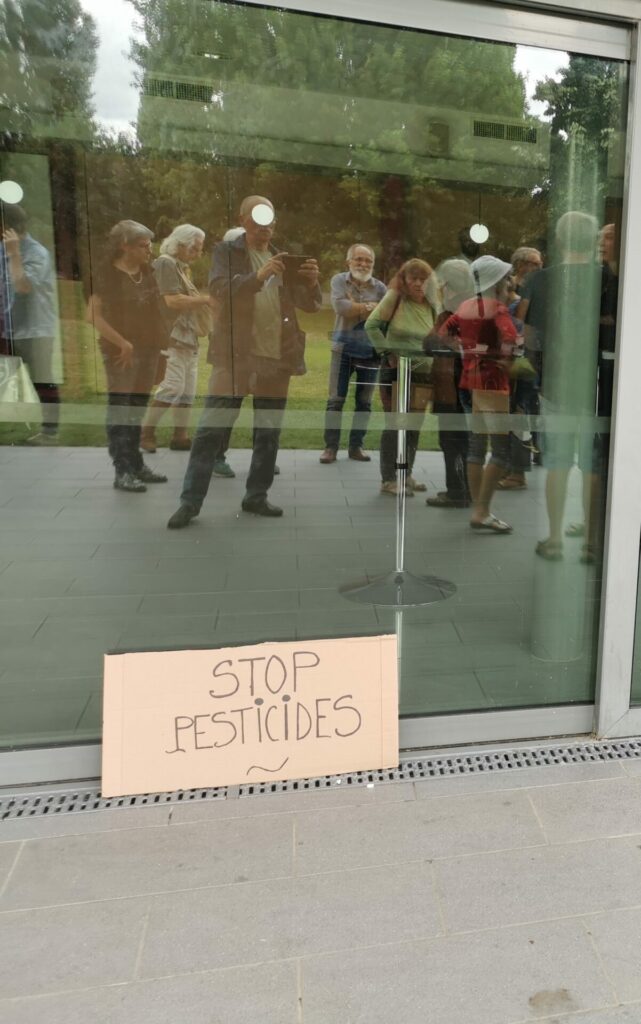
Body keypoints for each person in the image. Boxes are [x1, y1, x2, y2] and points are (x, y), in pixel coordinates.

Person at [167, 195, 321, 528]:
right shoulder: (227, 252)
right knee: (210, 430)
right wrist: (259, 275)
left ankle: (256, 496)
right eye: (257, 218)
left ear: (274, 223)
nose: (264, 226)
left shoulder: (283, 258)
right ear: (243, 220)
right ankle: (190, 502)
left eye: (269, 219)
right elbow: (219, 290)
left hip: (277, 358)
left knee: (268, 433)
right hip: (236, 358)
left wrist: (311, 282)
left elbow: (310, 305)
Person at [517, 211, 602, 561]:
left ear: (561, 239)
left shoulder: (539, 280)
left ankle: (554, 539)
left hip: (555, 381)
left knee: (558, 463)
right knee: (593, 465)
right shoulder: (605, 279)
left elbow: (528, 335)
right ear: (593, 241)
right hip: (596, 382)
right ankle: (590, 543)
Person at [86, 220, 168, 492]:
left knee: (137, 408)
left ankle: (136, 464)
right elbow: (93, 316)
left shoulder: (147, 271)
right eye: (144, 246)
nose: (149, 250)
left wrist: (161, 348)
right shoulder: (106, 276)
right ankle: (122, 470)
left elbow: (156, 312)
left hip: (149, 349)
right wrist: (122, 343)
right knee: (121, 409)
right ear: (125, 246)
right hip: (120, 353)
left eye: (149, 245)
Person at [439, 254, 517, 533]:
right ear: (496, 281)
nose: (510, 282)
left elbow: (444, 332)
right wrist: (505, 358)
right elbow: (512, 340)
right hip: (493, 384)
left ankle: (478, 510)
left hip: (468, 382)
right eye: (506, 278)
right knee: (500, 451)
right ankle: (483, 510)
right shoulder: (498, 309)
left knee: (475, 447)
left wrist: (466, 349)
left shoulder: (465, 306)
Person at [140, 224, 214, 453]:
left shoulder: (181, 267)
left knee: (187, 389)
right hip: (170, 336)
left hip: (187, 336)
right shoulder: (166, 263)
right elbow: (171, 300)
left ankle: (180, 436)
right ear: (179, 245)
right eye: (194, 249)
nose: (198, 254)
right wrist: (206, 300)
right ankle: (145, 433)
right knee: (172, 386)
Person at [365, 258, 436, 496]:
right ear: (404, 280)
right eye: (413, 278)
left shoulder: (431, 304)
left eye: (423, 279)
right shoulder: (395, 298)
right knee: (396, 425)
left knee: (414, 426)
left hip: (424, 373)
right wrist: (387, 352)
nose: (418, 284)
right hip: (397, 370)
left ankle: (405, 474)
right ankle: (389, 479)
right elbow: (371, 326)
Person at [319, 244, 386, 464]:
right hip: (343, 349)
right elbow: (341, 308)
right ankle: (330, 448)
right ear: (349, 261)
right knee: (335, 401)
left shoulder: (381, 288)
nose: (363, 264)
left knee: (364, 403)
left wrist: (356, 305)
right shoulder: (339, 281)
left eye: (368, 261)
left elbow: (385, 315)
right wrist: (370, 307)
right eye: (358, 259)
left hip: (370, 351)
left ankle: (356, 447)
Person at [0, 203, 59, 444]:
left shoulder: (36, 253)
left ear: (8, 227)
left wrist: (14, 254)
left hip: (35, 329)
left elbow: (23, 287)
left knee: (42, 380)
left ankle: (49, 432)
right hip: (8, 328)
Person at [423, 259, 474, 508]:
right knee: (464, 439)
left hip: (451, 386)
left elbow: (430, 343)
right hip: (467, 385)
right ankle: (466, 489)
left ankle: (457, 491)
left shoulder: (450, 312)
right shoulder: (474, 306)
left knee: (452, 439)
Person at [497, 246, 544, 491]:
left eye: (539, 263)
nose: (537, 267)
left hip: (527, 360)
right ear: (519, 265)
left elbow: (525, 326)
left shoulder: (536, 290)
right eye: (532, 263)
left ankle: (518, 471)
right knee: (508, 413)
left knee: (520, 412)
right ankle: (507, 466)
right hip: (508, 359)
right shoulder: (510, 287)